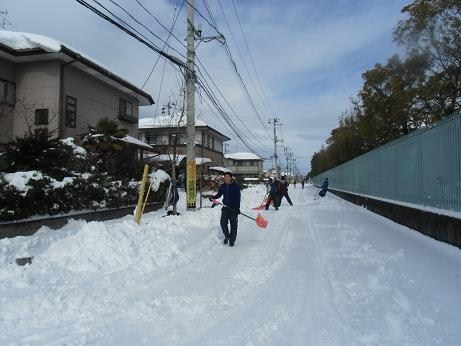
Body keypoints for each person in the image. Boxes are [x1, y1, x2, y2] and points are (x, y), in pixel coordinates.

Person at [210, 172, 241, 247]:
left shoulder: (236, 186)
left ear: (231, 177)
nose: (226, 178)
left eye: (228, 177)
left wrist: (237, 208)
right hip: (225, 207)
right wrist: (213, 197)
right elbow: (219, 194)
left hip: (233, 209)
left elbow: (238, 198)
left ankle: (232, 241)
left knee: (233, 225)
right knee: (223, 223)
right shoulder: (223, 186)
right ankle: (227, 236)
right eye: (225, 177)